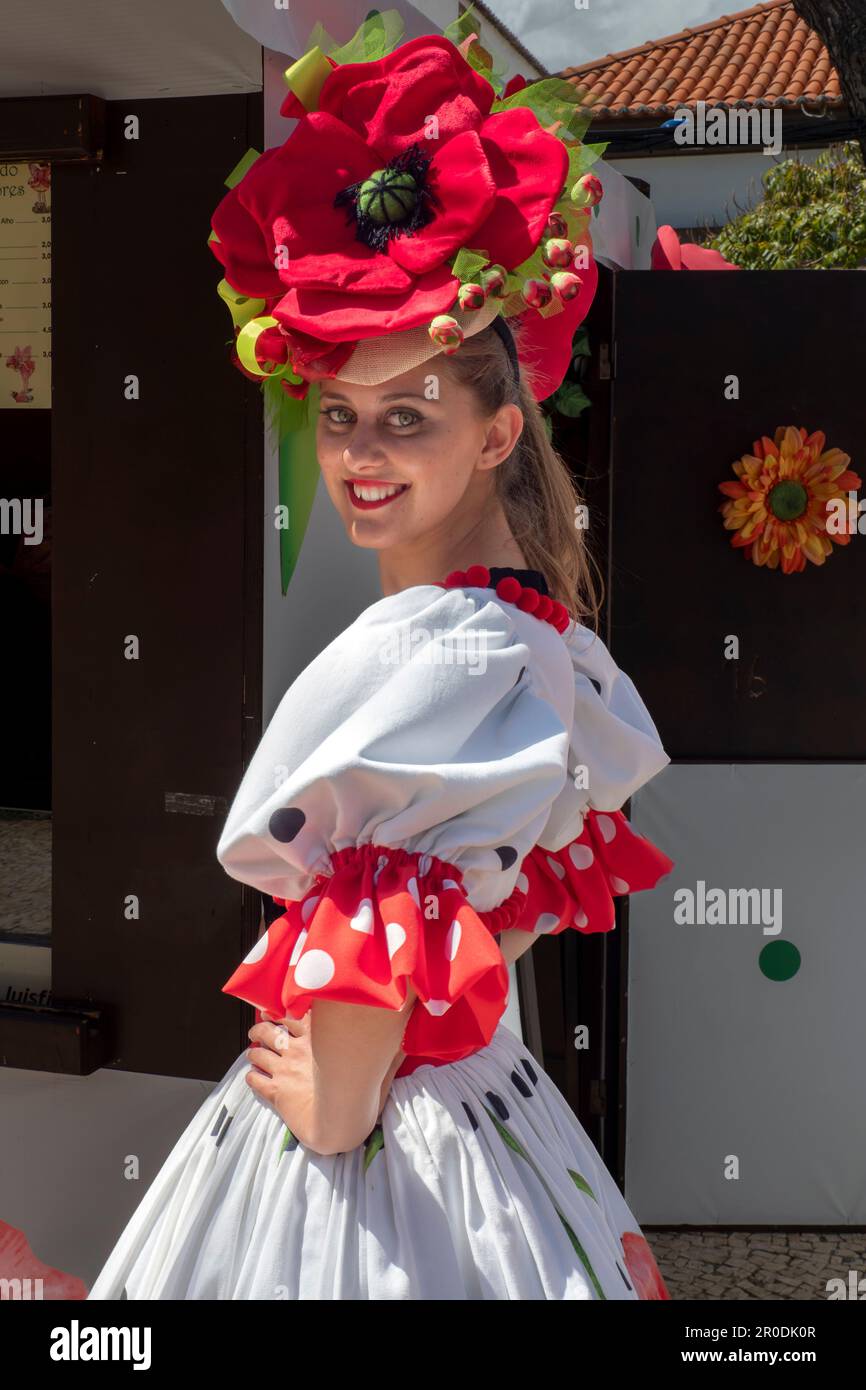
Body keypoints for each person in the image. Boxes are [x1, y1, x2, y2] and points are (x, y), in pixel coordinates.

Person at [87, 15, 674, 1301]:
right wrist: (413, 1016)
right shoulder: (528, 623)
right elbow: (520, 888)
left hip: (365, 1156)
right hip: (481, 1111)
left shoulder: (426, 647)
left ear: (492, 433)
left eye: (408, 417)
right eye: (341, 415)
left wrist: (345, 1092)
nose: (361, 452)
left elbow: (383, 919)